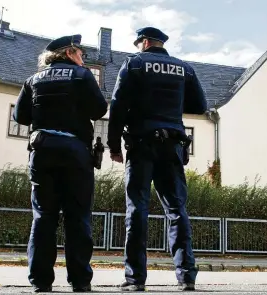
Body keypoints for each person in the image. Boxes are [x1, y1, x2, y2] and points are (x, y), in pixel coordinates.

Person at [107, 26, 208, 292]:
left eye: (138, 42)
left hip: (141, 145)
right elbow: (200, 105)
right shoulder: (184, 68)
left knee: (137, 210)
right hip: (173, 145)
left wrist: (114, 145)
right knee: (177, 211)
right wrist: (172, 106)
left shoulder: (135, 64)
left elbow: (117, 106)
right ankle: (186, 277)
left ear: (145, 42)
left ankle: (135, 279)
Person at [13, 34, 108, 293]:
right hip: (75, 153)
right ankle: (80, 281)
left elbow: (20, 115)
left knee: (43, 216)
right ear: (69, 53)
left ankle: (41, 282)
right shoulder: (81, 75)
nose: (83, 59)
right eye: (81, 54)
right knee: (77, 217)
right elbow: (99, 109)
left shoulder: (32, 80)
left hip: (42, 152)